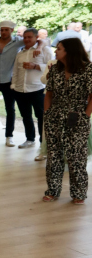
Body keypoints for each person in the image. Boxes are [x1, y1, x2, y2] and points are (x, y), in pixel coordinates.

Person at [43, 37, 92, 205]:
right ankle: (52, 190)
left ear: (69, 51)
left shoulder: (87, 69)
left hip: (77, 116)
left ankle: (79, 193)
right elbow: (49, 93)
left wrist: (85, 115)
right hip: (55, 116)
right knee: (53, 155)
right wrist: (47, 114)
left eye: (59, 48)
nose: (55, 51)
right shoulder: (56, 69)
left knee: (76, 156)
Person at [11, 28, 49, 148]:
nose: (26, 39)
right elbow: (15, 71)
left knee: (41, 116)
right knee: (26, 116)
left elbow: (52, 66)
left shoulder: (45, 50)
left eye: (29, 37)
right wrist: (13, 85)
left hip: (38, 89)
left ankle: (43, 143)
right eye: (25, 37)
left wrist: (36, 66)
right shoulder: (20, 53)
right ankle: (30, 139)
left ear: (36, 37)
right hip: (20, 89)